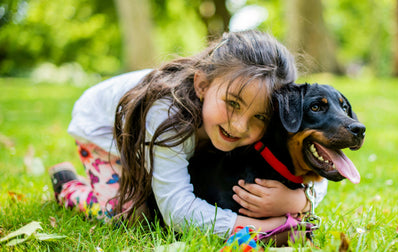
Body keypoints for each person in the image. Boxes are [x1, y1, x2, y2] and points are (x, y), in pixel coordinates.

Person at [49, 30, 328, 237]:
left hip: (169, 138)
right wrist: (262, 228)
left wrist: (300, 200)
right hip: (103, 130)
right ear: (203, 85)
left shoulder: (259, 114)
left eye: (260, 117)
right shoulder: (167, 114)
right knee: (131, 216)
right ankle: (69, 187)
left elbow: (316, 164)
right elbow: (176, 211)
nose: (240, 126)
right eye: (232, 104)